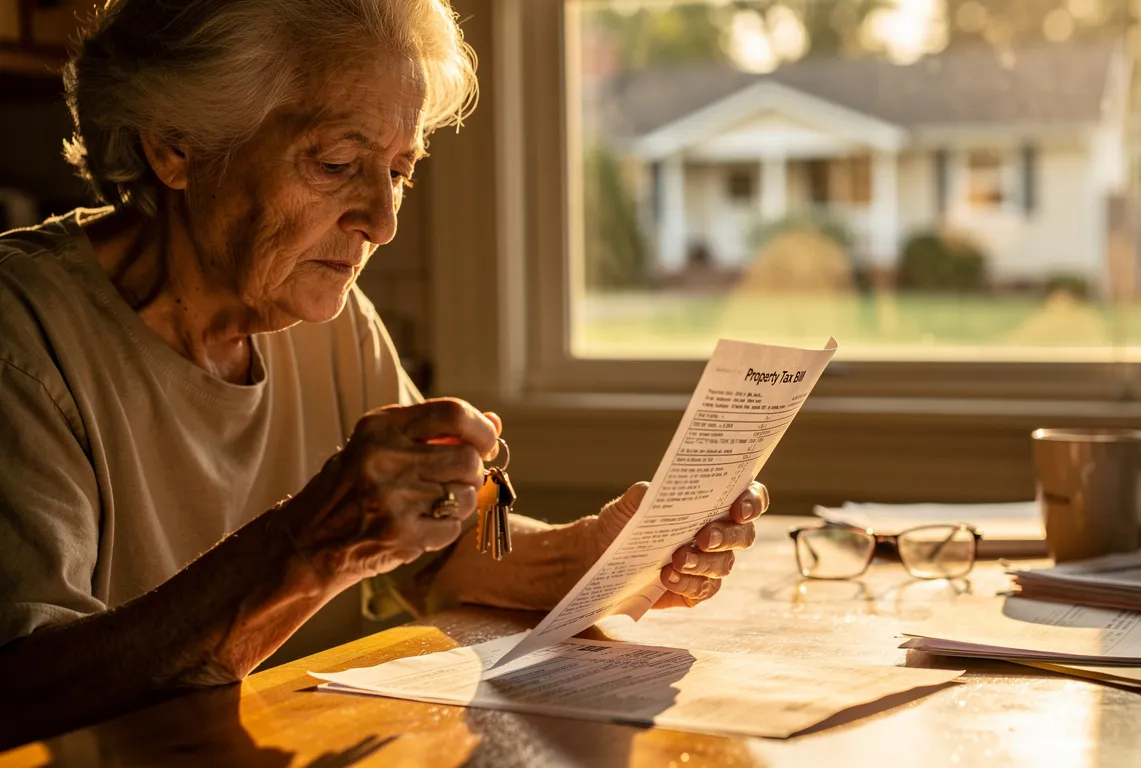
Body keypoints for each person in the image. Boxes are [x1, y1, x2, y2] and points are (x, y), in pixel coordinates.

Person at [0, 0, 769, 747]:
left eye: (398, 171)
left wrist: (606, 557)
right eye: (336, 163)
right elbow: (23, 693)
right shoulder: (23, 339)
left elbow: (436, 551)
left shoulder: (317, 311)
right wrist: (306, 547)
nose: (383, 219)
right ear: (175, 145)